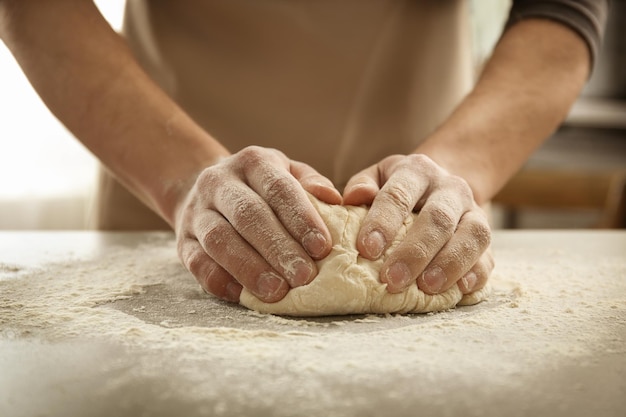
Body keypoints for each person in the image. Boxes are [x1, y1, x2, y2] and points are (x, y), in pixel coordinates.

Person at [0, 0, 608, 305]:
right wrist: (182, 180)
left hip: (425, 217)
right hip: (179, 210)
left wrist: (462, 172)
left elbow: (562, 8)